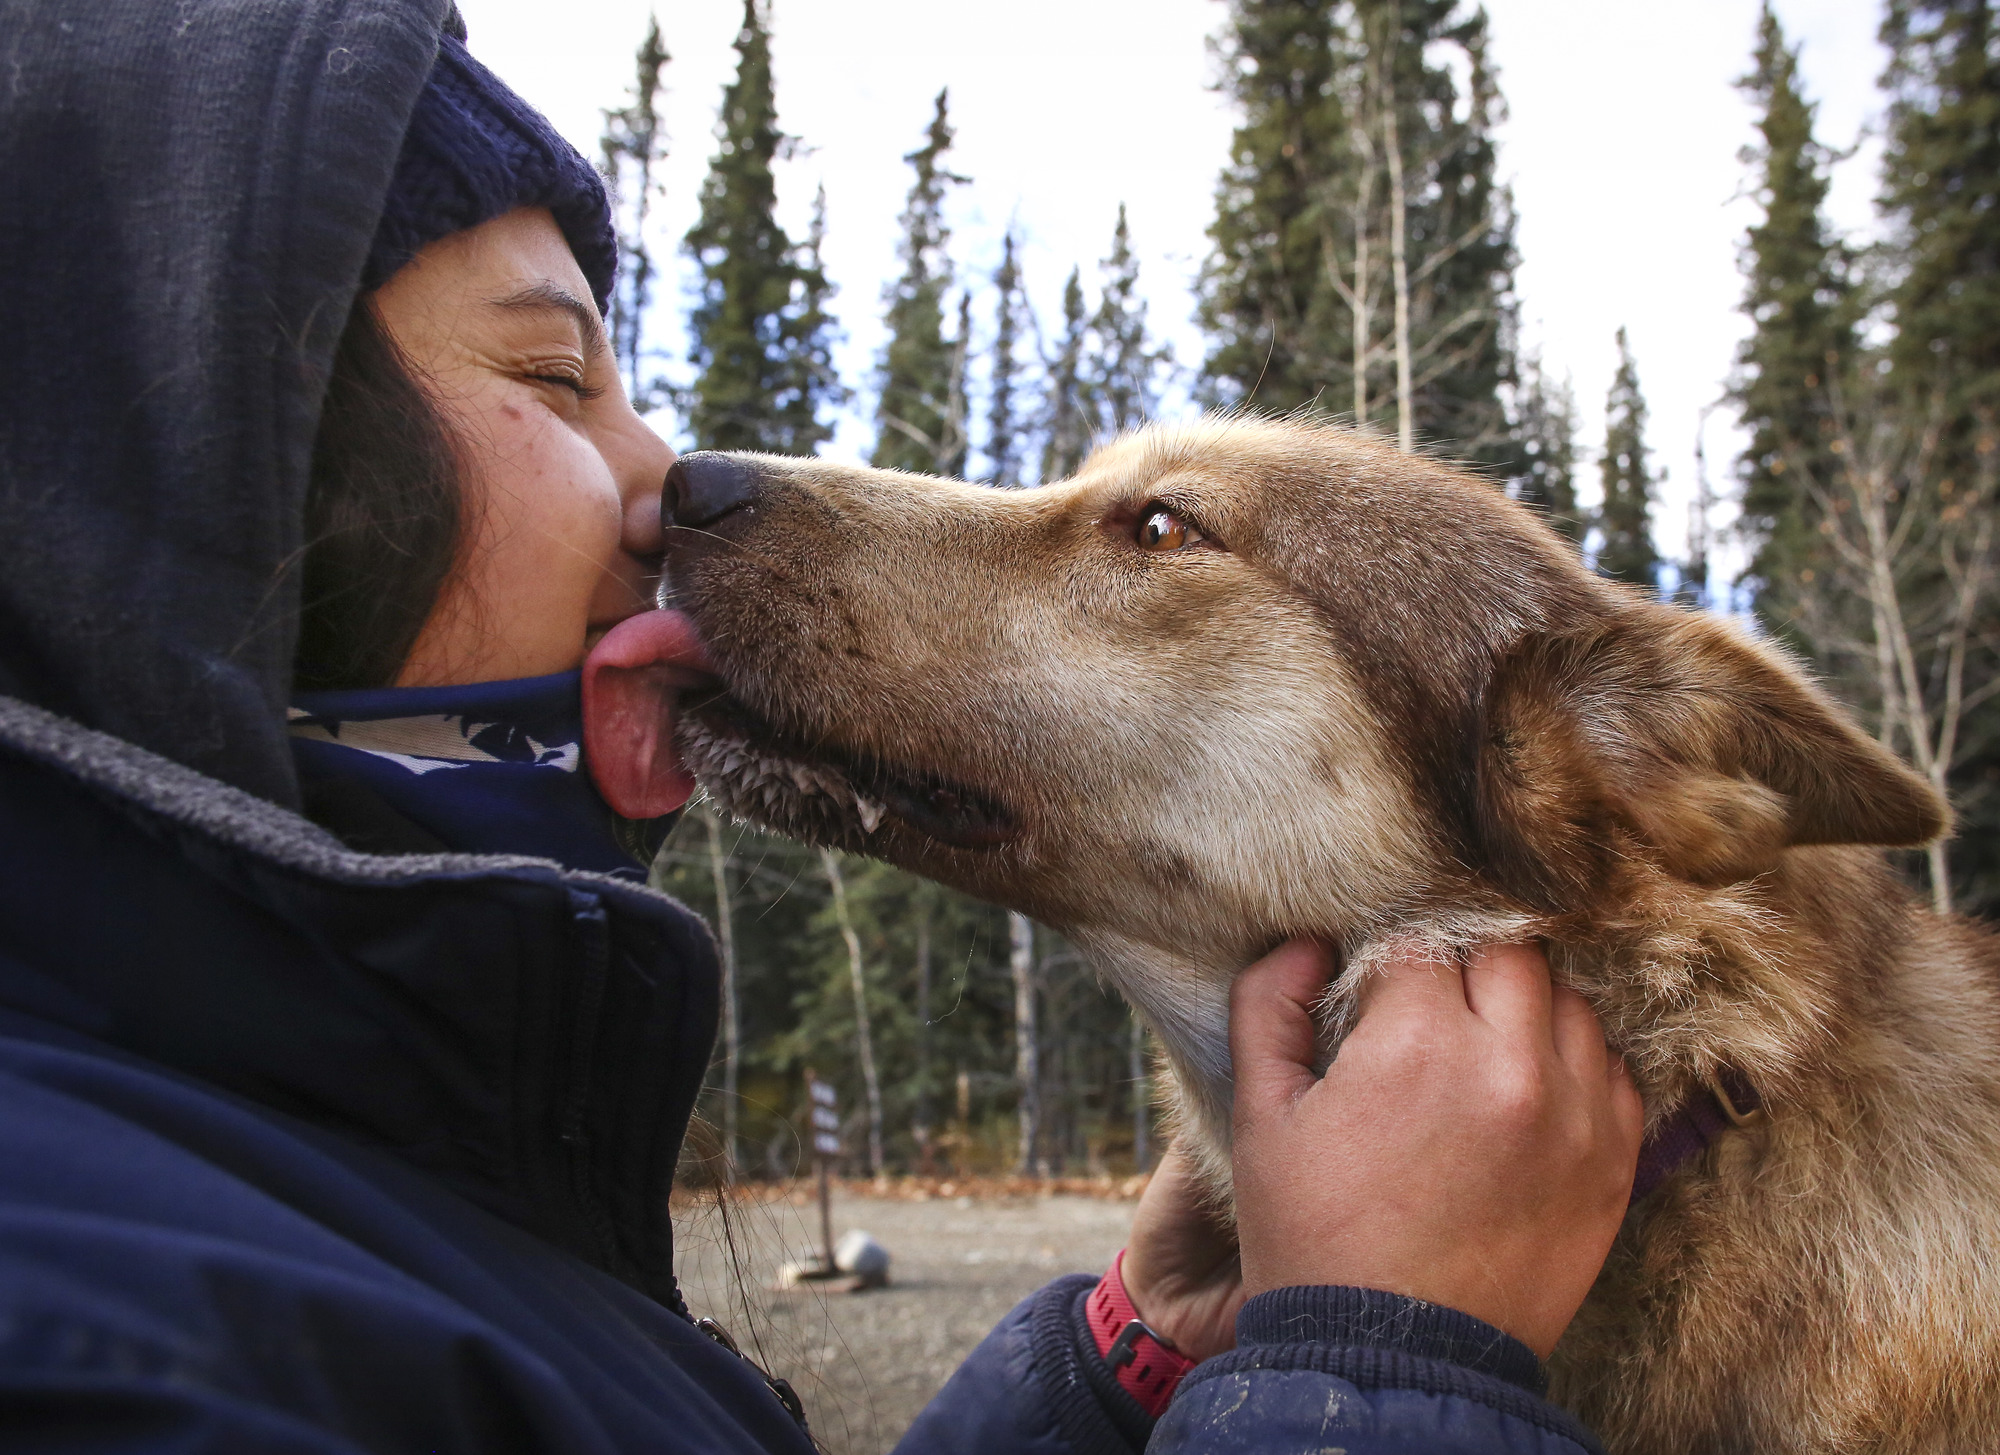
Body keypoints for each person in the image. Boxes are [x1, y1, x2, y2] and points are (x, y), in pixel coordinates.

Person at [0, 2, 1642, 1451]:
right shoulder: (99, 1329)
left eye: (1156, 536)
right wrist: (1377, 1378)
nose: (667, 484)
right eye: (559, 380)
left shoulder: (306, 1155)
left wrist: (1130, 1364)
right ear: (187, 465)